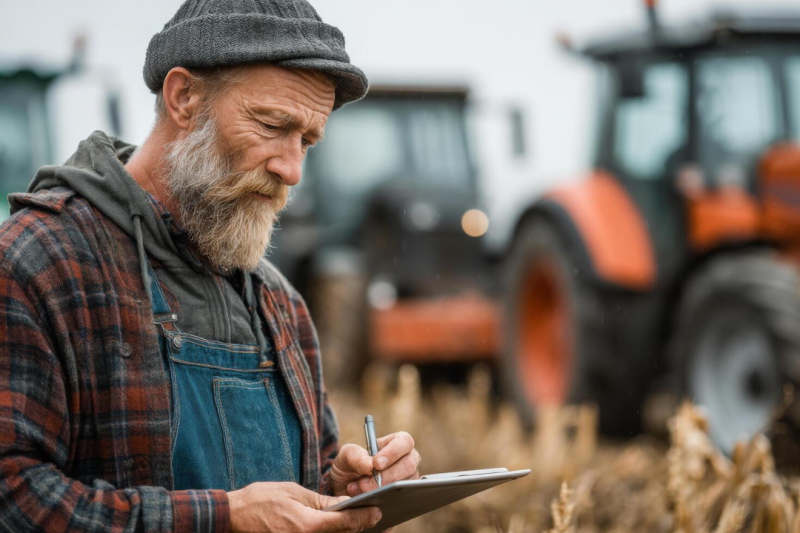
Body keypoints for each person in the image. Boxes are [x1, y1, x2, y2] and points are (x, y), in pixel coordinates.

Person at [0, 1, 421, 531]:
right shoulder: (36, 266)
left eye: (307, 141)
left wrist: (338, 489)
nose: (292, 170)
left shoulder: (279, 302)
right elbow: (12, 495)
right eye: (272, 125)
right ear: (184, 98)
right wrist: (223, 518)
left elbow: (302, 485)